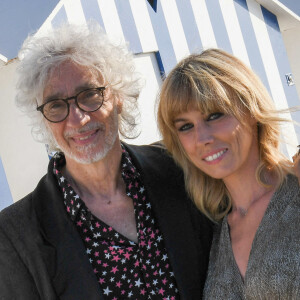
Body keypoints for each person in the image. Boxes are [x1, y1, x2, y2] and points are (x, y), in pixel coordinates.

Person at [0, 23, 213, 300]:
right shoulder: (14, 235)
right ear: (44, 120)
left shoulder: (179, 169)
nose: (77, 118)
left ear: (119, 97)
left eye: (89, 94)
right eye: (56, 105)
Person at [157, 48, 300, 299]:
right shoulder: (210, 229)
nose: (202, 138)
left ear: (251, 109)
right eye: (186, 126)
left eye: (215, 115)